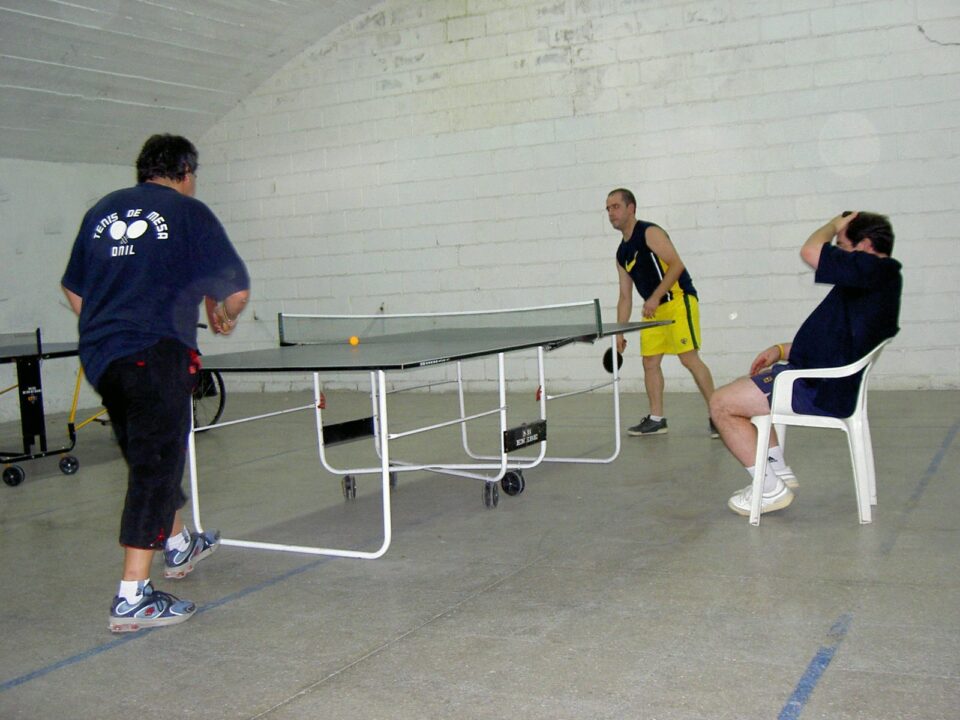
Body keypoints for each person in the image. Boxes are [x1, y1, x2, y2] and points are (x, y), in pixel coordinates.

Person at [61, 134, 251, 632]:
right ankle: (133, 596)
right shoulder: (189, 213)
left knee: (148, 453)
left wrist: (113, 320)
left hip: (103, 357)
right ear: (185, 172)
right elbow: (235, 292)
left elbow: (73, 289)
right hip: (156, 353)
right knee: (155, 466)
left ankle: (179, 542)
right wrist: (224, 316)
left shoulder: (103, 210)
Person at [710, 211, 902, 516]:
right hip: (822, 380)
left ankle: (769, 489)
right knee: (744, 387)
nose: (836, 252)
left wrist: (834, 224)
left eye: (842, 244)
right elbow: (834, 340)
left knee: (721, 403)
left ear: (864, 246)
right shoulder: (873, 281)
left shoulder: (874, 270)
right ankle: (777, 472)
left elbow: (810, 251)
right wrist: (781, 349)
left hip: (820, 388)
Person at [606, 188, 717, 437]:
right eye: (608, 209)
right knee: (650, 363)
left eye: (616, 206)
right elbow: (625, 296)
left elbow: (677, 264)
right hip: (652, 310)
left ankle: (718, 414)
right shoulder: (621, 253)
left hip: (677, 300)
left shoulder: (649, 232)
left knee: (689, 358)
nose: (611, 213)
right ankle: (657, 419)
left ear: (631, 208)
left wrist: (656, 296)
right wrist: (619, 332)